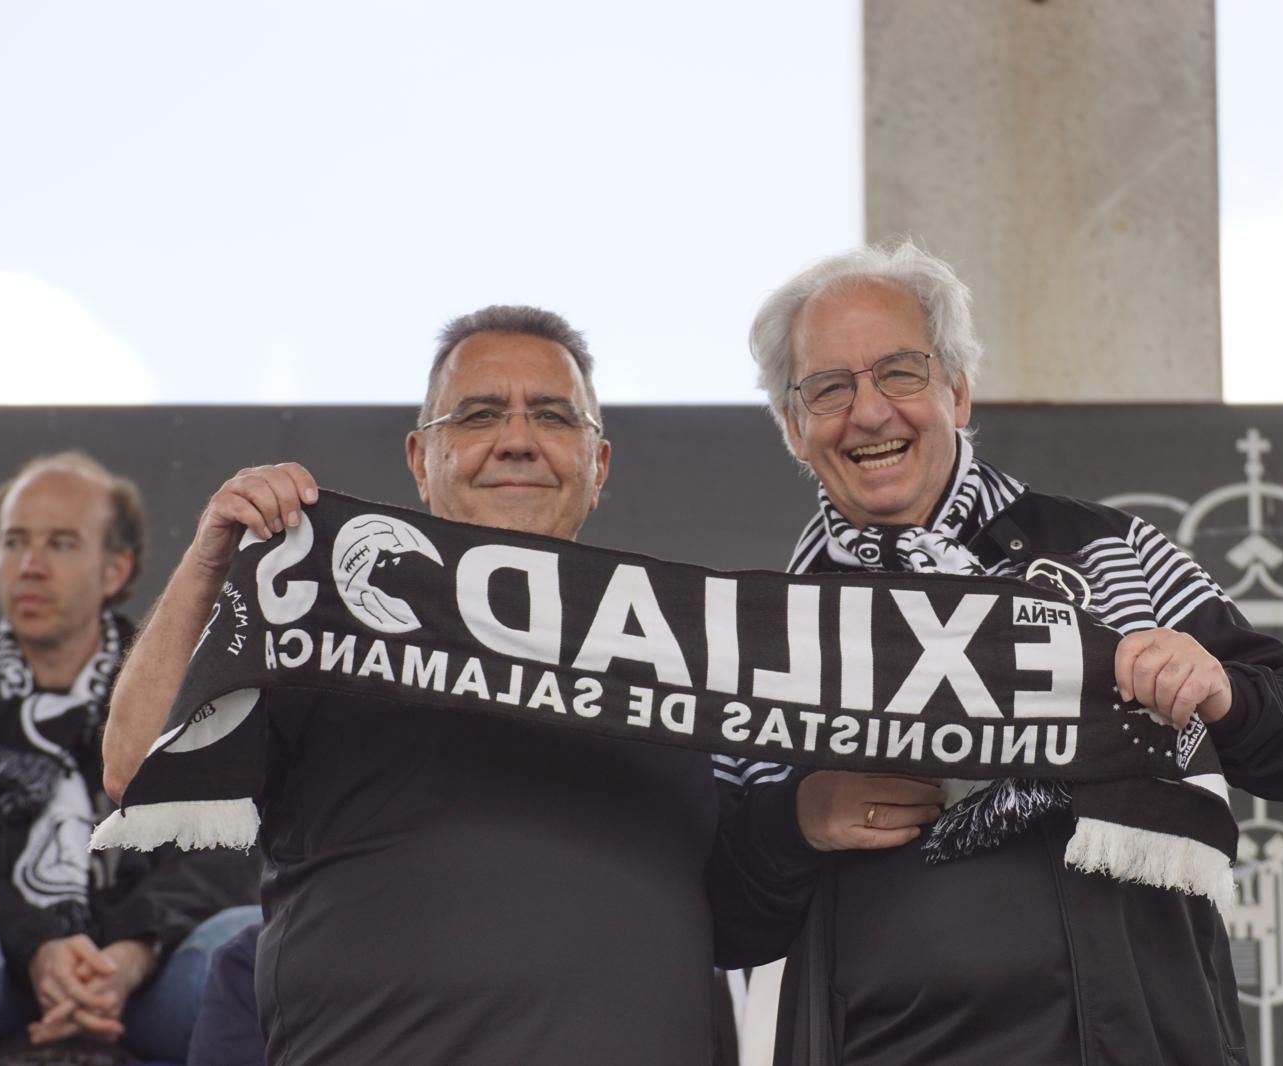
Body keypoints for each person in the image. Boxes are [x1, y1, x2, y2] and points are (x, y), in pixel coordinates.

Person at [99, 306, 817, 1065]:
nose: (516, 439)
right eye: (478, 415)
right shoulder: (317, 627)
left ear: (597, 464)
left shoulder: (688, 664)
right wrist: (211, 562)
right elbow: (137, 769)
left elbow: (741, 914)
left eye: (552, 415)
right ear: (421, 457)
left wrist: (812, 815)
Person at [740, 242, 1283, 1065]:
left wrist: (1220, 687)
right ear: (794, 426)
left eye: (900, 373)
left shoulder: (1113, 552)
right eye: (830, 388)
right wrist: (800, 819)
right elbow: (726, 906)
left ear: (956, 390)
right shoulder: (764, 629)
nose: (870, 411)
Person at [0, 452, 261, 1066]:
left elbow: (225, 849)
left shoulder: (177, 689)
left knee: (242, 942)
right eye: (14, 541)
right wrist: (41, 948)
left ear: (116, 569)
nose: (30, 566)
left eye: (61, 543)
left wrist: (132, 953)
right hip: (3, 979)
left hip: (144, 978)